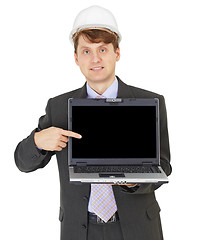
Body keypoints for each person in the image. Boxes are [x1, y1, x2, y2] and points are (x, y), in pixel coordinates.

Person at [14, 5, 172, 240]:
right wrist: (37, 141)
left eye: (103, 49)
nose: (95, 58)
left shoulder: (149, 101)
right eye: (86, 51)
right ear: (76, 58)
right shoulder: (58, 107)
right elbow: (22, 162)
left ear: (116, 53)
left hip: (137, 228)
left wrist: (132, 183)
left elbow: (163, 167)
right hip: (80, 230)